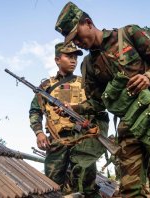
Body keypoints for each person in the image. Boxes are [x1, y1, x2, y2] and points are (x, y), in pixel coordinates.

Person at [54, 2, 150, 197]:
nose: (76, 43)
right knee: (130, 190)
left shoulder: (130, 33)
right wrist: (73, 108)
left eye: (77, 36)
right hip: (129, 125)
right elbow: (97, 103)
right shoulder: (88, 65)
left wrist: (149, 76)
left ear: (88, 23)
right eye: (71, 39)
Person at [28, 41, 109, 197]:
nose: (73, 60)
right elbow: (35, 111)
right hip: (57, 141)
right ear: (57, 60)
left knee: (87, 185)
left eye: (75, 57)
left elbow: (99, 107)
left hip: (83, 141)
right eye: (68, 56)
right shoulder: (46, 86)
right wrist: (38, 133)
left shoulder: (86, 83)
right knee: (52, 186)